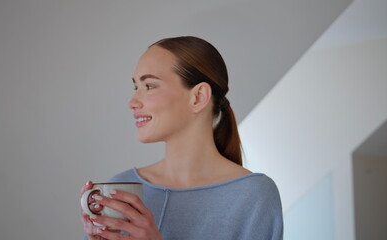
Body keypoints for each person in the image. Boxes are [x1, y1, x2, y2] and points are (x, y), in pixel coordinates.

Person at [81, 36, 283, 240]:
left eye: (149, 86)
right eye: (136, 87)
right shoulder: (121, 188)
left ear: (198, 97)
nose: (132, 102)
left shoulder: (254, 196)